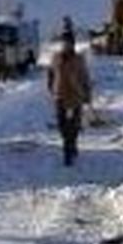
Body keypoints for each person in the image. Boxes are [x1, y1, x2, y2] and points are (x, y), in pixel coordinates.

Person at [47, 32, 92, 166]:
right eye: (64, 42)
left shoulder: (79, 59)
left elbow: (85, 77)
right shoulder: (55, 58)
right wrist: (51, 87)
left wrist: (87, 94)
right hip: (60, 95)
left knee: (74, 125)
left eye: (69, 42)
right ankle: (69, 144)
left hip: (75, 95)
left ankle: (69, 149)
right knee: (62, 124)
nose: (66, 45)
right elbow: (50, 73)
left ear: (73, 44)